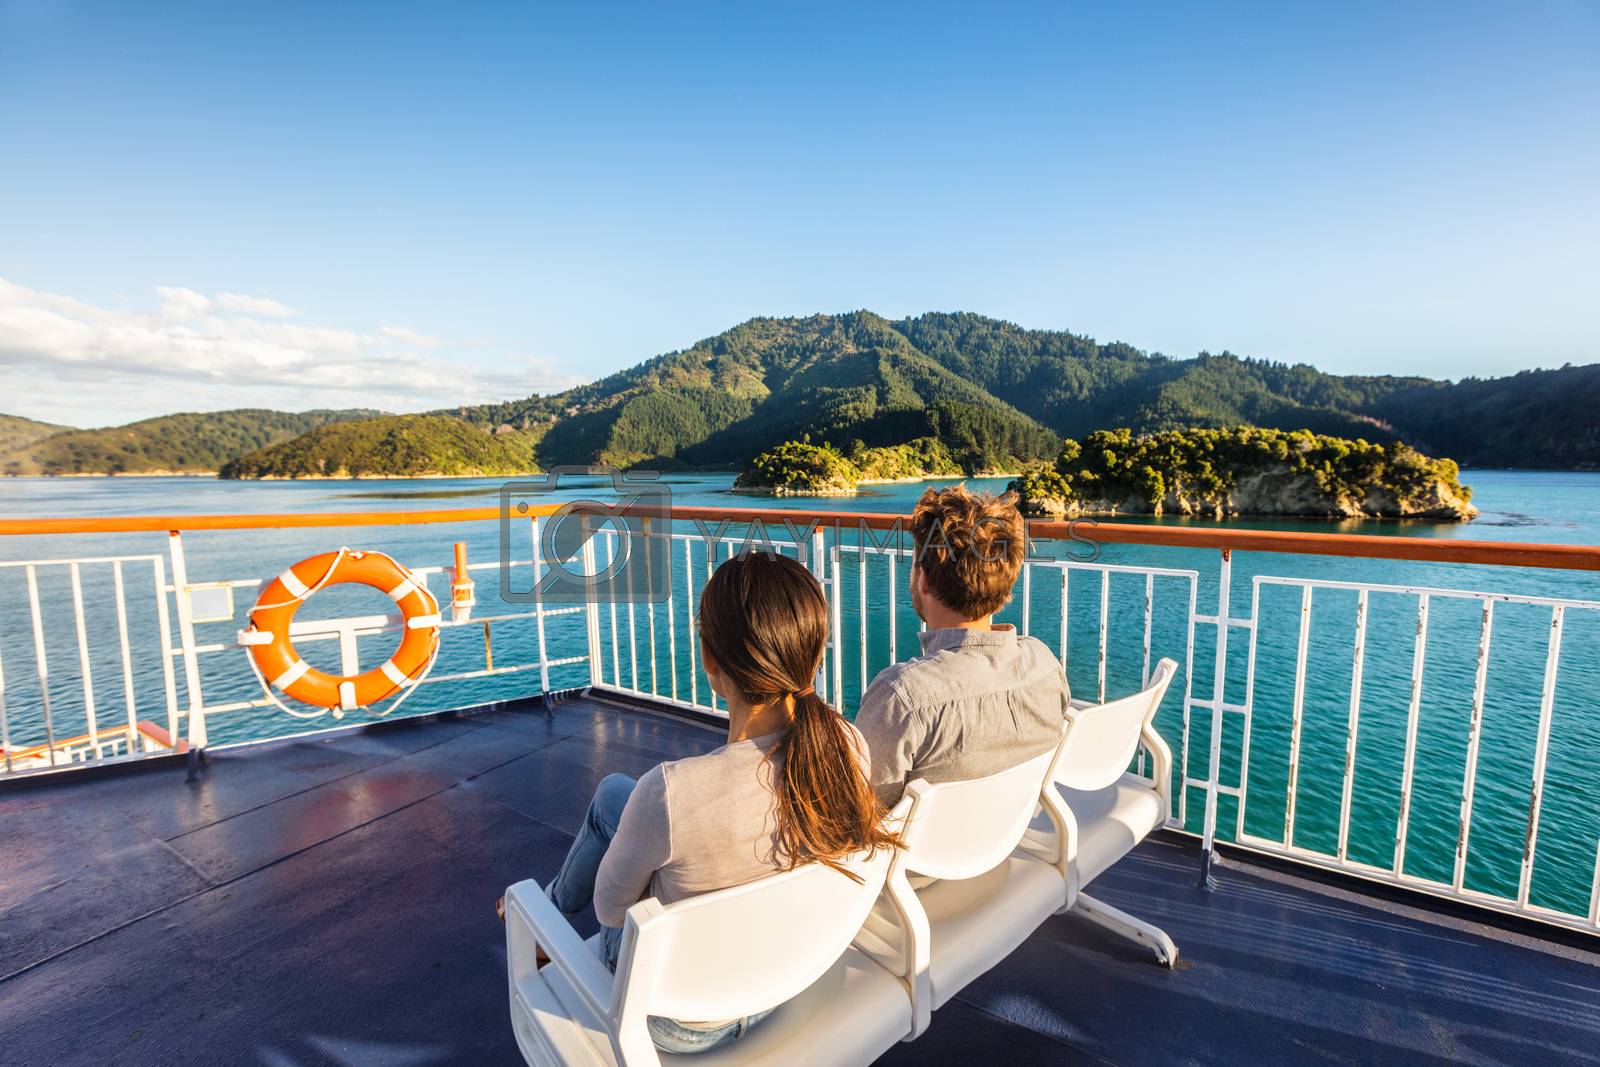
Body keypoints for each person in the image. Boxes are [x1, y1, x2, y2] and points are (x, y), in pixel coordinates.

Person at [522, 550, 900, 1055]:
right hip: (791, 977)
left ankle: (544, 913)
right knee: (619, 794)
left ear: (709, 659)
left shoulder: (672, 792)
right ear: (813, 654)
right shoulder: (848, 746)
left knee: (623, 806)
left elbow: (610, 912)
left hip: (682, 1023)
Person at [856, 486, 1070, 807]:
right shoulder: (1043, 664)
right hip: (1009, 838)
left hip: (920, 856)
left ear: (924, 579)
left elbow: (858, 807)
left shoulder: (901, 698)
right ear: (1007, 577)